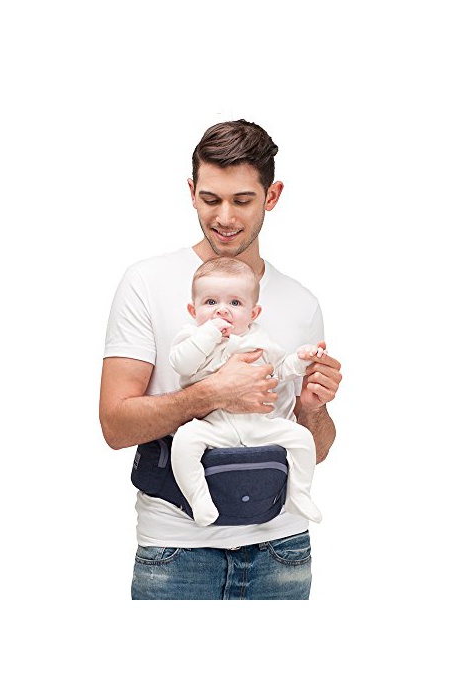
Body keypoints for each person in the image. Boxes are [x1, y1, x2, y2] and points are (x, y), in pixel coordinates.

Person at [100, 118, 342, 600]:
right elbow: (115, 426)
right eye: (210, 199)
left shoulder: (302, 303)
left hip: (282, 548)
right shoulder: (146, 282)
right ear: (191, 193)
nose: (225, 217)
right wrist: (212, 392)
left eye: (242, 200)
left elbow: (316, 447)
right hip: (177, 549)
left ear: (272, 196)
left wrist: (313, 408)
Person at [170, 256, 324, 526]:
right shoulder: (191, 337)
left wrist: (302, 360)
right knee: (184, 441)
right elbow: (182, 364)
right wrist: (210, 333)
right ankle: (198, 499)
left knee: (300, 438)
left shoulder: (259, 340)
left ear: (253, 313)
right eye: (210, 302)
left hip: (258, 424)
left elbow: (280, 370)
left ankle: (299, 494)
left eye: (235, 303)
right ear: (193, 310)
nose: (222, 311)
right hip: (213, 425)